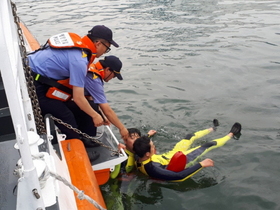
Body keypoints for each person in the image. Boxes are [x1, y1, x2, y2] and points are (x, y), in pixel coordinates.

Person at [28, 25, 129, 146]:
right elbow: (78, 97)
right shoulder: (80, 61)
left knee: (78, 110)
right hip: (34, 84)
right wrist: (95, 116)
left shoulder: (78, 49)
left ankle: (84, 139)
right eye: (107, 48)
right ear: (98, 43)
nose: (104, 53)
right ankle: (77, 151)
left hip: (31, 70)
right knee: (68, 121)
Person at [133, 120, 242, 182]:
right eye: (152, 146)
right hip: (181, 159)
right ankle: (231, 134)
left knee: (189, 137)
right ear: (147, 154)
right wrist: (201, 164)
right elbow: (179, 176)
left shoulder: (138, 155)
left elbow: (137, 145)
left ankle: (213, 129)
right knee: (208, 145)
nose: (154, 146)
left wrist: (148, 135)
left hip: (171, 153)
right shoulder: (154, 169)